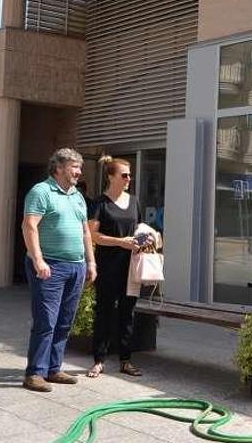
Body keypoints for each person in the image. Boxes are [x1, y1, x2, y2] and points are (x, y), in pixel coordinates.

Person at [21, 148, 96, 392]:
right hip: (50, 266)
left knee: (65, 321)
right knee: (46, 321)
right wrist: (38, 260)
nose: (78, 172)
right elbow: (29, 226)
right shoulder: (41, 192)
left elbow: (86, 231)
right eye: (75, 167)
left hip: (76, 266)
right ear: (59, 167)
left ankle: (53, 368)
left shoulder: (77, 195)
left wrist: (90, 262)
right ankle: (35, 373)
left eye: (79, 168)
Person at [86, 156, 147, 378]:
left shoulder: (134, 201)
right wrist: (121, 241)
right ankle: (99, 360)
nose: (129, 178)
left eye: (130, 175)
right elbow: (93, 235)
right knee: (104, 312)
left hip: (130, 267)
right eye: (124, 175)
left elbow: (139, 227)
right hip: (108, 266)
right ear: (111, 177)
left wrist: (147, 239)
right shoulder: (100, 204)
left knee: (127, 313)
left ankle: (125, 360)